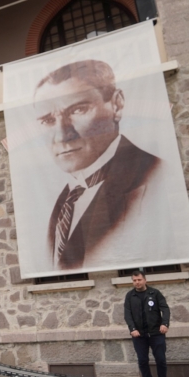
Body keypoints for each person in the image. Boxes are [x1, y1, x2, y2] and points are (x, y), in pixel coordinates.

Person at [34, 59, 170, 271]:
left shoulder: (157, 178)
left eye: (78, 110)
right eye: (47, 121)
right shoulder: (63, 200)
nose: (62, 135)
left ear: (116, 105)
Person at [124, 270, 170, 377]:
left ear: (145, 280)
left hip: (156, 333)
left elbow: (165, 309)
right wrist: (132, 329)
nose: (137, 282)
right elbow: (127, 314)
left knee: (161, 360)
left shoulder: (155, 293)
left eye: (139, 280)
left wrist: (165, 323)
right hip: (139, 335)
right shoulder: (130, 296)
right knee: (143, 361)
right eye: (134, 280)